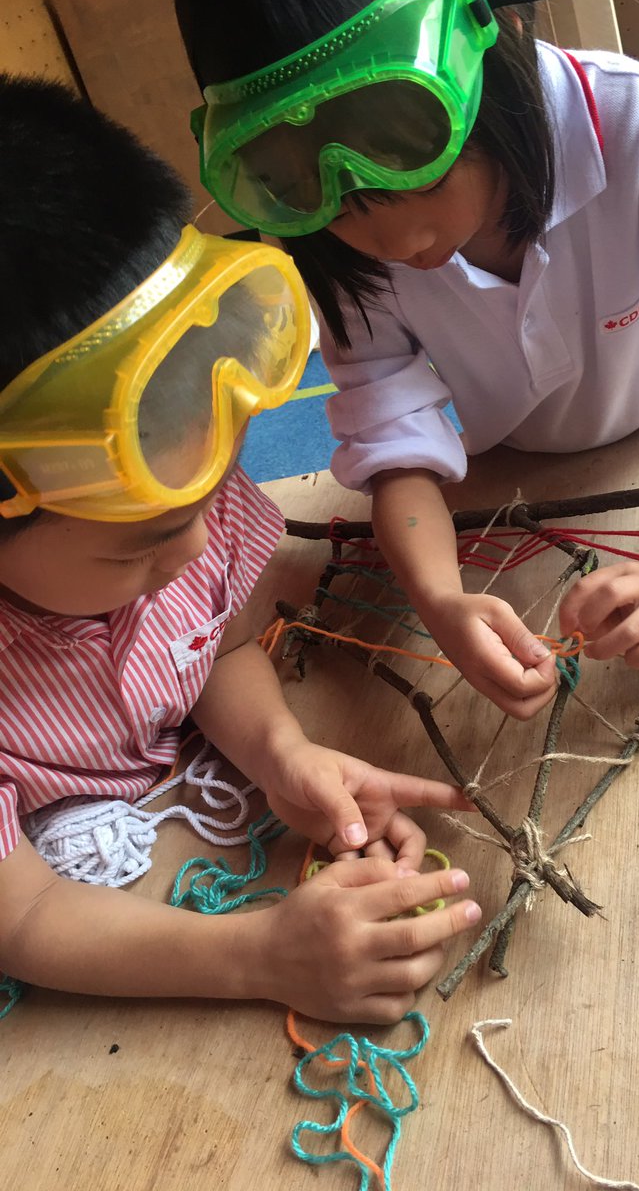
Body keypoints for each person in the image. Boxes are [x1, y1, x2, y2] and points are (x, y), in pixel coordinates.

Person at [176, 0, 639, 722]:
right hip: (516, 473)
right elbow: (396, 444)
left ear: (497, 34)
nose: (392, 244)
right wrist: (440, 598)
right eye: (323, 199)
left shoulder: (637, 125)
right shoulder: (333, 245)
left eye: (415, 170)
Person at [0, 74, 481, 1025]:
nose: (190, 556)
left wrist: (279, 751)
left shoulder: (179, 496)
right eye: (133, 553)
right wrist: (260, 956)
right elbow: (26, 915)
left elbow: (214, 644)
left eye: (212, 496)